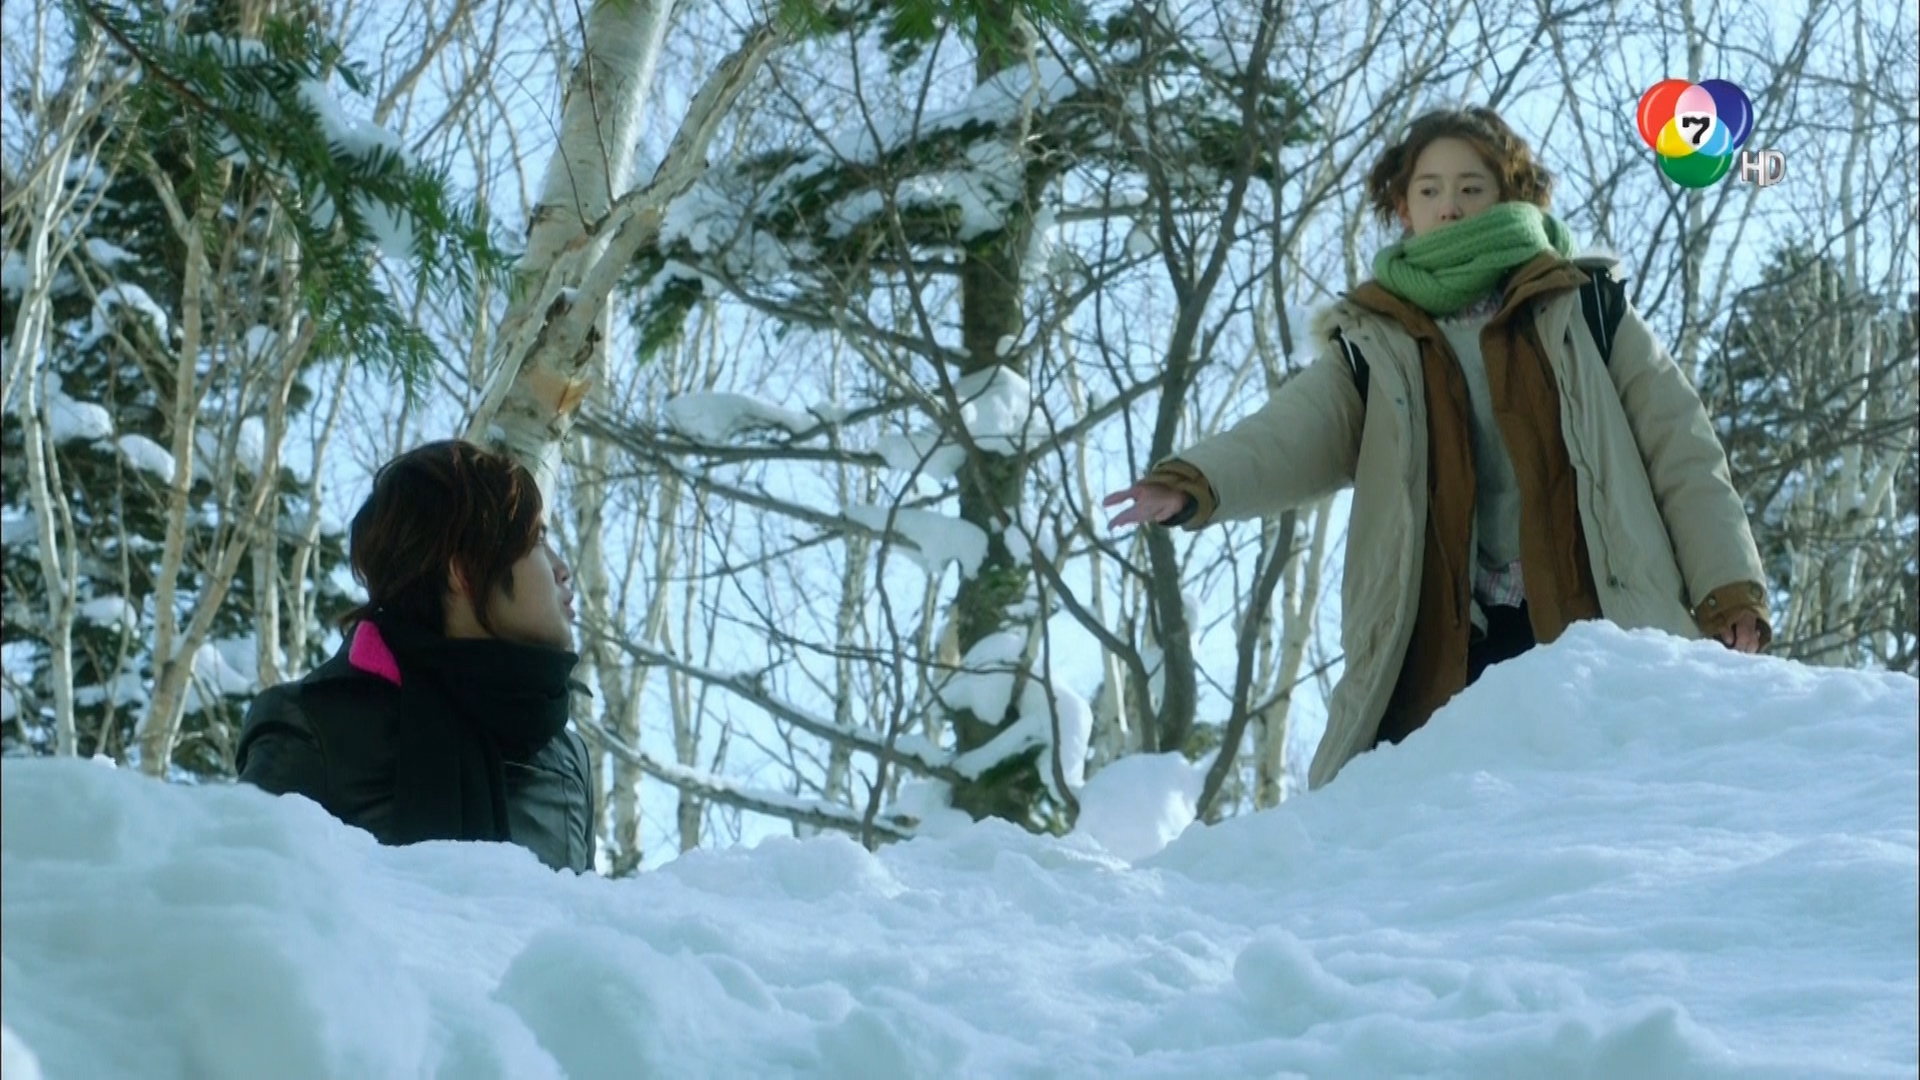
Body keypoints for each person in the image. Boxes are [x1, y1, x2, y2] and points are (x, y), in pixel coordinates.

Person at [1104, 106, 1770, 791]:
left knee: (1619, 808)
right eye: (1429, 190)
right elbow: (1289, 431)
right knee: (1442, 830)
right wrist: (1197, 481)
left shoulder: (1584, 307)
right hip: (1446, 647)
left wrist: (1728, 588)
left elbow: (1682, 447)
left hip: (1594, 621)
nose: (1450, 206)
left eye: (1471, 188)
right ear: (1403, 207)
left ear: (1510, 196)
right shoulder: (1375, 344)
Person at [237, 440, 596, 872]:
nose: (561, 568)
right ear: (465, 571)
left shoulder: (566, 757)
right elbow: (247, 901)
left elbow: (578, 914)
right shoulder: (312, 728)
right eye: (536, 541)